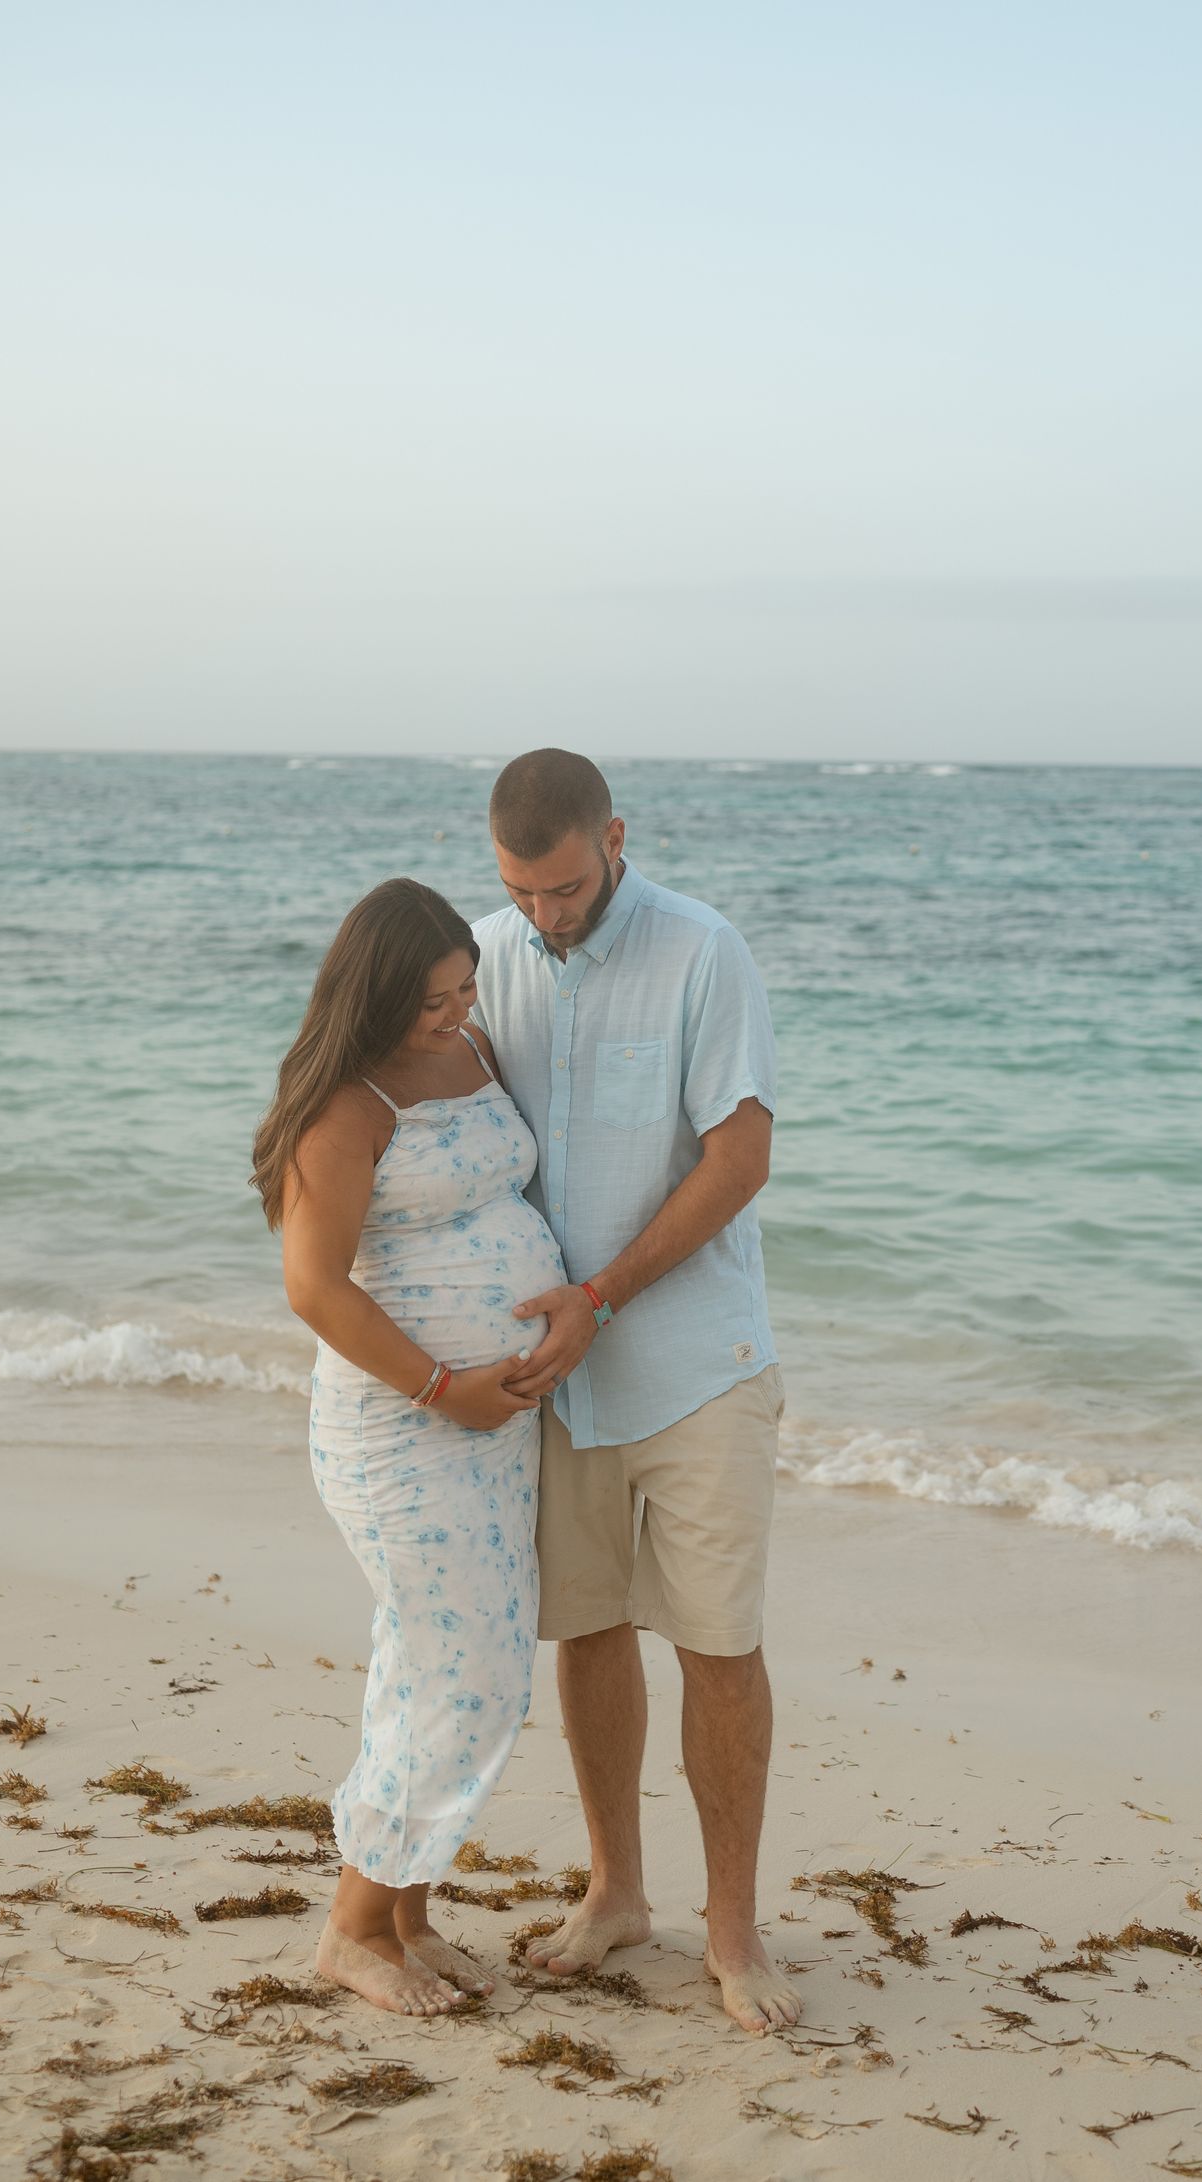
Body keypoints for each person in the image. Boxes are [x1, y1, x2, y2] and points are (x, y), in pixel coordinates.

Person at [472, 748, 800, 2035]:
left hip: (697, 1365)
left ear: (615, 836)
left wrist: (600, 1296)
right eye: (522, 891)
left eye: (564, 886)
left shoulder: (702, 949)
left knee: (719, 1649)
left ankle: (732, 1927)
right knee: (591, 1630)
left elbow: (744, 1155)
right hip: (556, 1378)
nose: (547, 916)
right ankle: (617, 1893)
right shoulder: (491, 955)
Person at [253, 877, 556, 2016]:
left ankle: (407, 1912)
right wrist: (443, 1387)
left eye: (466, 987)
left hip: (485, 1424)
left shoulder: (467, 1050)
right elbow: (313, 1288)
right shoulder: (345, 1104)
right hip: (402, 1430)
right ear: (375, 993)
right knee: (464, 1673)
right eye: (434, 997)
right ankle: (349, 1928)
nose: (457, 1011)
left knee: (433, 1663)